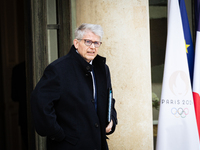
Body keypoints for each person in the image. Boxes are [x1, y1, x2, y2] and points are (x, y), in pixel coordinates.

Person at [31, 23, 117, 150]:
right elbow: (40, 103)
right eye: (88, 42)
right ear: (76, 43)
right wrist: (58, 134)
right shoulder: (58, 69)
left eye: (96, 43)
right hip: (69, 145)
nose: (92, 47)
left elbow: (109, 98)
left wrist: (112, 120)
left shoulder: (102, 69)